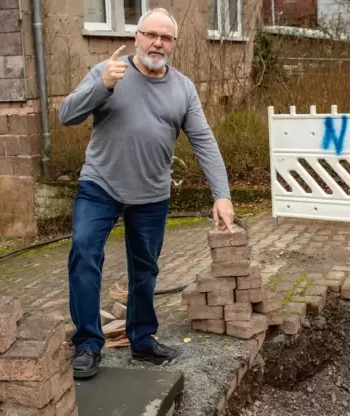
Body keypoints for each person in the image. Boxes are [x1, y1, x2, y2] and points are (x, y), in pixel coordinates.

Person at [58, 7, 235, 379]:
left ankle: (142, 340)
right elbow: (66, 116)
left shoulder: (183, 88)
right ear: (136, 36)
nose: (157, 42)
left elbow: (203, 140)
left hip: (151, 193)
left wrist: (222, 194)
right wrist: (101, 85)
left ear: (173, 44)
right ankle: (88, 344)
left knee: (146, 269)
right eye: (151, 34)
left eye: (166, 37)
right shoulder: (109, 72)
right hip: (100, 186)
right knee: (85, 255)